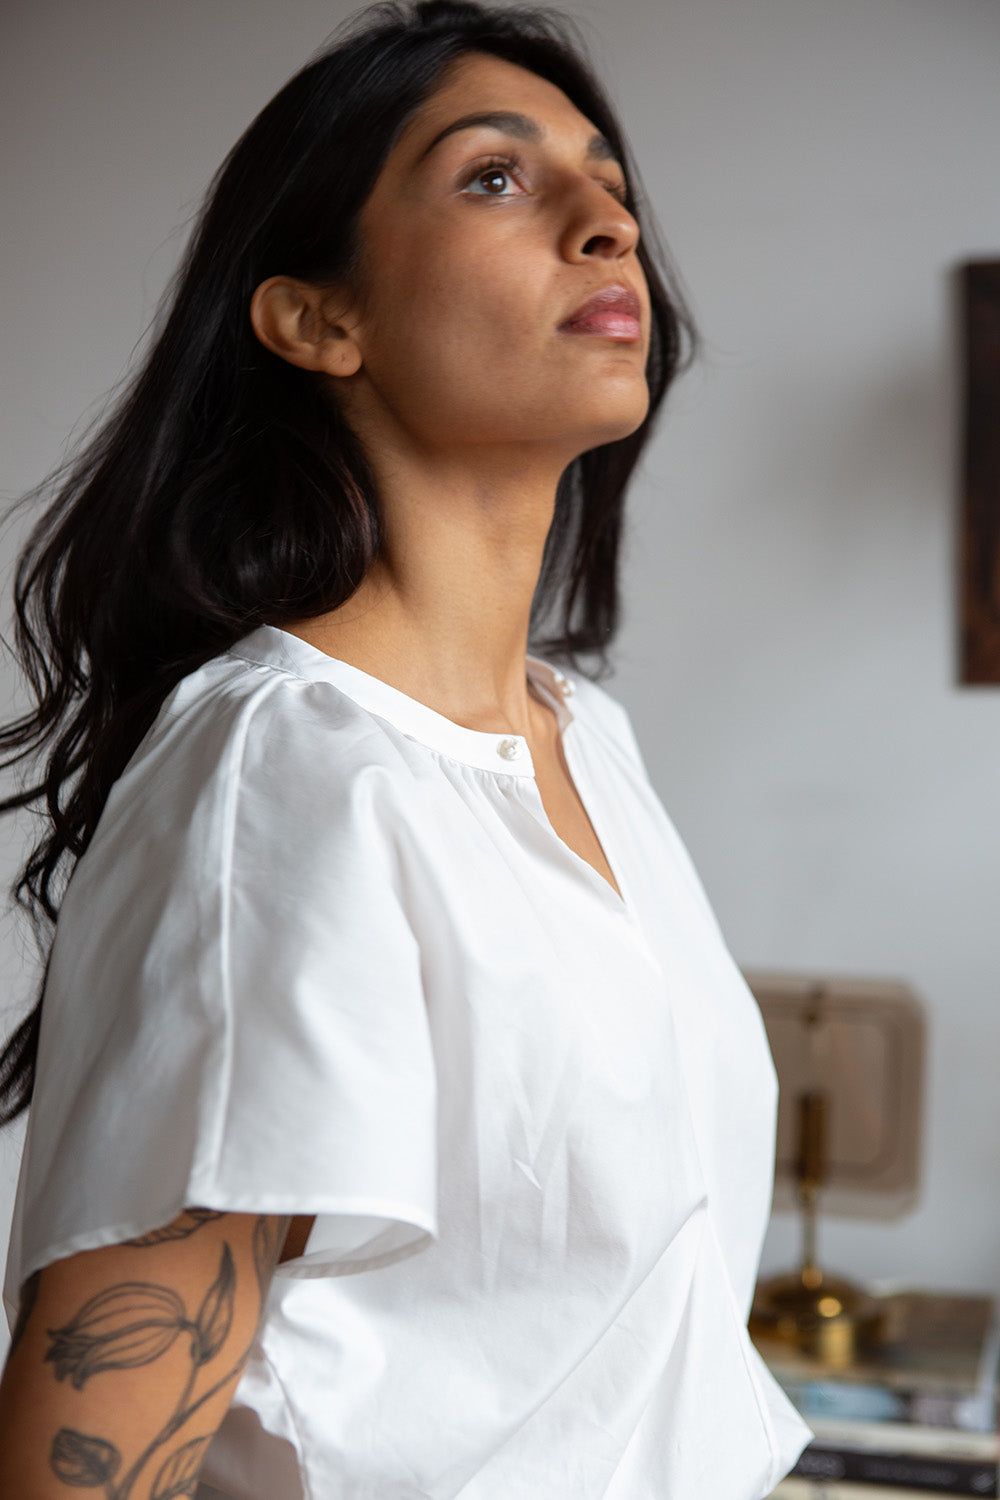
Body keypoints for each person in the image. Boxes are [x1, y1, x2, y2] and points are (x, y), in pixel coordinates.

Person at [0, 2, 811, 1496]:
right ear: (319, 317)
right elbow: (87, 1465)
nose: (604, 223)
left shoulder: (589, 739)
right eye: (495, 178)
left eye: (612, 184)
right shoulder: (289, 774)